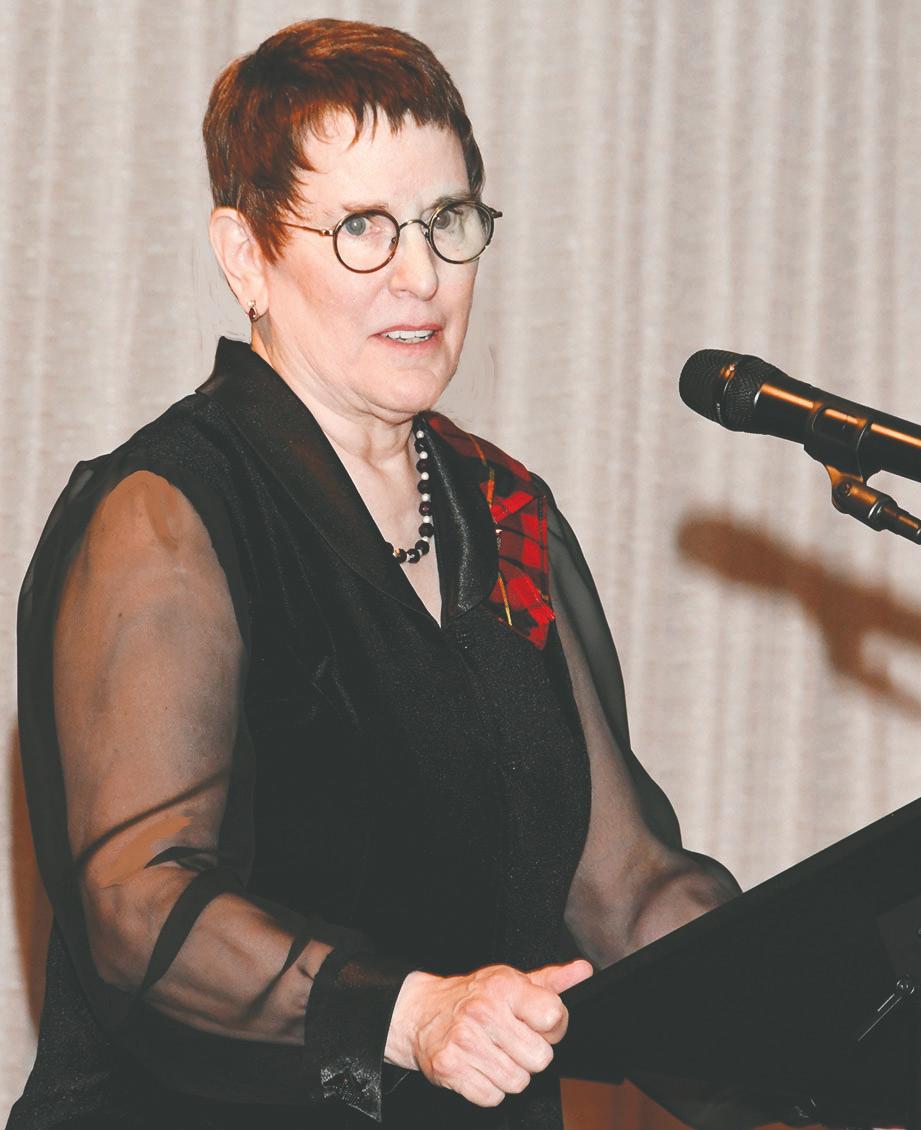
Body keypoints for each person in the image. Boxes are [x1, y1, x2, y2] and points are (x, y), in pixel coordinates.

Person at [9, 19, 743, 1130]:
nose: (422, 275)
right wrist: (407, 1013)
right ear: (245, 256)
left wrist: (823, 997)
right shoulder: (166, 513)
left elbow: (624, 890)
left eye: (448, 221)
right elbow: (138, 903)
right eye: (362, 227)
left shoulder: (505, 511)